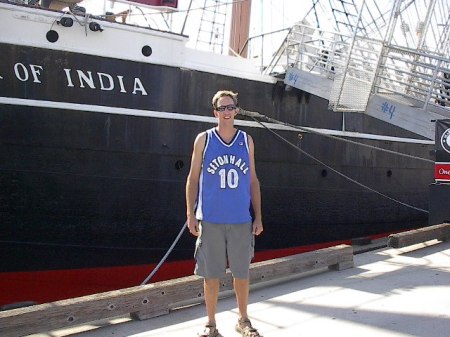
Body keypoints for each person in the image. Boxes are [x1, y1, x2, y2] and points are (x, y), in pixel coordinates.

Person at [186, 90, 263, 337]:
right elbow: (193, 178)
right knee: (211, 276)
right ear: (215, 112)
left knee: (241, 274)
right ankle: (211, 324)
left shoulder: (246, 140)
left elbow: (252, 180)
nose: (227, 112)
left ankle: (243, 319)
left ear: (237, 110)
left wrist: (258, 216)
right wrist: (190, 213)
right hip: (211, 220)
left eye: (231, 107)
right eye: (222, 108)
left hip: (240, 219)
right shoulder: (204, 139)